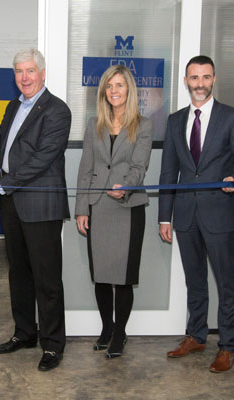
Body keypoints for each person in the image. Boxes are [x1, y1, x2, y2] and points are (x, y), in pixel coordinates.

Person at [0, 48, 71, 372]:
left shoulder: (57, 110)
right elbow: (6, 145)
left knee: (47, 278)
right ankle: (24, 333)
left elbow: (42, 158)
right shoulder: (14, 105)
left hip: (41, 204)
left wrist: (2, 185)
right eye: (19, 71)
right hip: (14, 205)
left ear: (42, 73)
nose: (24, 77)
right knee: (18, 273)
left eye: (30, 70)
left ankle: (53, 344)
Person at [158, 55, 234, 372]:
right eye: (194, 78)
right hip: (185, 216)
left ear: (214, 79)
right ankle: (196, 335)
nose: (200, 83)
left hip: (219, 214)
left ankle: (228, 346)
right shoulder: (174, 121)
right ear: (186, 81)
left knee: (227, 282)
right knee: (195, 280)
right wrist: (164, 216)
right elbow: (168, 171)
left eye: (205, 77)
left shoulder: (232, 117)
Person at [75, 65, 153, 358]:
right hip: (98, 206)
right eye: (109, 86)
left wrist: (127, 186)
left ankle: (120, 333)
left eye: (119, 85)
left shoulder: (143, 125)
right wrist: (82, 208)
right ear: (104, 92)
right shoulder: (93, 123)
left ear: (129, 89)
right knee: (103, 275)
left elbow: (140, 165)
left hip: (127, 207)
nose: (114, 91)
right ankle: (106, 328)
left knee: (123, 276)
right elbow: (86, 168)